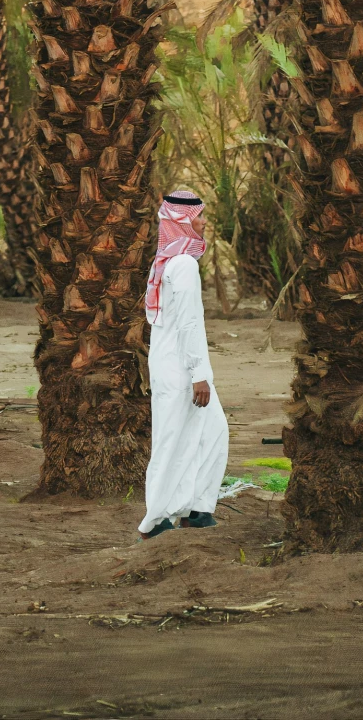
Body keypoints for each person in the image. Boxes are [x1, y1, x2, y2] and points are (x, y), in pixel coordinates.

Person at [138, 188, 229, 538]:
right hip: (181, 368)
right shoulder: (184, 265)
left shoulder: (170, 262)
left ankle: (198, 509)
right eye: (199, 217)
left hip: (174, 363)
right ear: (183, 221)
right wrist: (199, 376)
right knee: (172, 440)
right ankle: (155, 520)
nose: (204, 222)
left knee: (213, 430)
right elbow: (190, 324)